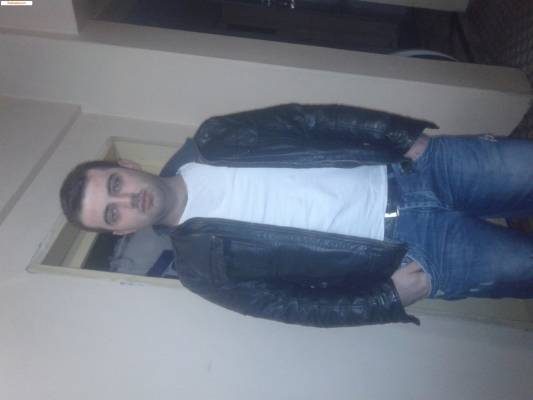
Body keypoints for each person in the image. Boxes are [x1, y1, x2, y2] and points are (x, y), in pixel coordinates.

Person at [60, 104, 533, 327]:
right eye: (112, 213)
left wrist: (402, 137)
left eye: (116, 186)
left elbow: (311, 120)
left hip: (414, 168)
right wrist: (386, 298)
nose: (128, 202)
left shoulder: (213, 137)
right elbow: (293, 307)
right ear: (120, 230)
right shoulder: (200, 270)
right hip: (414, 254)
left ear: (127, 167)